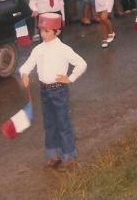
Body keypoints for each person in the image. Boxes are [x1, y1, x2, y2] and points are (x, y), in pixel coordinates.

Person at [19, 12, 87, 172]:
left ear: (57, 32)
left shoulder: (63, 49)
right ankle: (53, 155)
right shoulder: (38, 49)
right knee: (49, 124)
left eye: (47, 31)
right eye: (41, 30)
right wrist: (24, 74)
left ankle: (69, 157)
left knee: (63, 124)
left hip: (59, 91)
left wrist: (70, 78)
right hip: (44, 91)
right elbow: (27, 64)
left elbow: (81, 64)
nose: (43, 34)